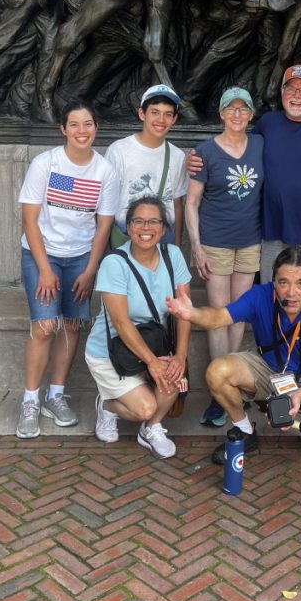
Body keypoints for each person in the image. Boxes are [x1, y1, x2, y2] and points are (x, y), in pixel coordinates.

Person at [168, 246, 301, 465]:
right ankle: (245, 431)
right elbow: (218, 317)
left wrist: (300, 394)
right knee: (217, 371)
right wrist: (192, 313)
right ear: (273, 281)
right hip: (267, 369)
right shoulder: (260, 296)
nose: (291, 293)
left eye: (300, 283)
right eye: (284, 282)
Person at [186, 63, 301, 296]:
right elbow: (237, 151)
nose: (296, 95)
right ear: (281, 92)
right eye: (291, 89)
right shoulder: (268, 124)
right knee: (272, 298)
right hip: (272, 231)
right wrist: (194, 159)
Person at [16, 100, 119, 439]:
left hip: (80, 258)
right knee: (45, 326)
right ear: (63, 129)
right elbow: (29, 220)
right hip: (42, 253)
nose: (81, 131)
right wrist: (45, 269)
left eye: (88, 124)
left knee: (72, 325)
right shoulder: (45, 164)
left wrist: (90, 270)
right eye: (74, 124)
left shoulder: (105, 171)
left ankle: (55, 396)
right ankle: (30, 401)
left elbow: (104, 226)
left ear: (96, 128)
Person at [85, 196, 192, 457]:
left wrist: (180, 356)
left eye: (154, 221)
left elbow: (184, 312)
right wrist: (152, 363)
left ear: (164, 228)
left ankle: (151, 428)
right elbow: (121, 323)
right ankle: (107, 406)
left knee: (172, 380)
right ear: (128, 227)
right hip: (112, 350)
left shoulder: (173, 255)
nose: (146, 228)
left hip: (154, 342)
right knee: (144, 407)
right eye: (138, 221)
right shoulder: (114, 263)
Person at [186, 87, 265, 427]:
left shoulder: (260, 145)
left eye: (243, 109)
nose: (237, 114)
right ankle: (219, 392)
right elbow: (191, 202)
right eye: (231, 109)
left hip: (250, 241)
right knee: (219, 315)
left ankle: (233, 382)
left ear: (250, 114)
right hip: (215, 243)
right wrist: (197, 246)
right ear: (221, 114)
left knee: (239, 314)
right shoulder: (205, 152)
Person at [106, 84, 188, 245]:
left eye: (168, 114)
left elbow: (177, 204)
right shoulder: (119, 150)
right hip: (127, 235)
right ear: (142, 114)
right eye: (154, 112)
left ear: (174, 119)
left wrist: (177, 245)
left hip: (164, 236)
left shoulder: (177, 156)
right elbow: (107, 202)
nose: (161, 120)